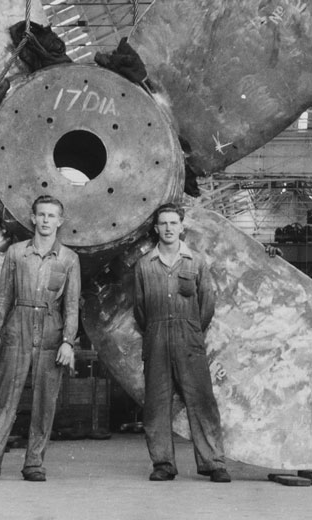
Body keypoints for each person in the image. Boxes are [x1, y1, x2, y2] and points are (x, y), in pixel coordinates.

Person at [0, 194, 81, 482]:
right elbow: (3, 295)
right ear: (33, 218)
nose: (46, 220)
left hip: (51, 329)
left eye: (52, 216)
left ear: (60, 221)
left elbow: (72, 306)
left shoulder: (69, 259)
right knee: (3, 398)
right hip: (17, 327)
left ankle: (34, 464)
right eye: (42, 215)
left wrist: (68, 341)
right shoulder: (15, 253)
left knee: (44, 401)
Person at [133, 202, 231, 483]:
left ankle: (214, 463)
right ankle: (163, 464)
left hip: (190, 340)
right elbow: (140, 310)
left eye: (173, 223)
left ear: (181, 226)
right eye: (163, 223)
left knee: (202, 402)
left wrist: (189, 330)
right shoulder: (143, 266)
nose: (168, 228)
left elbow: (207, 305)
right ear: (155, 228)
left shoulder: (196, 262)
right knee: (156, 404)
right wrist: (157, 330)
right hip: (156, 340)